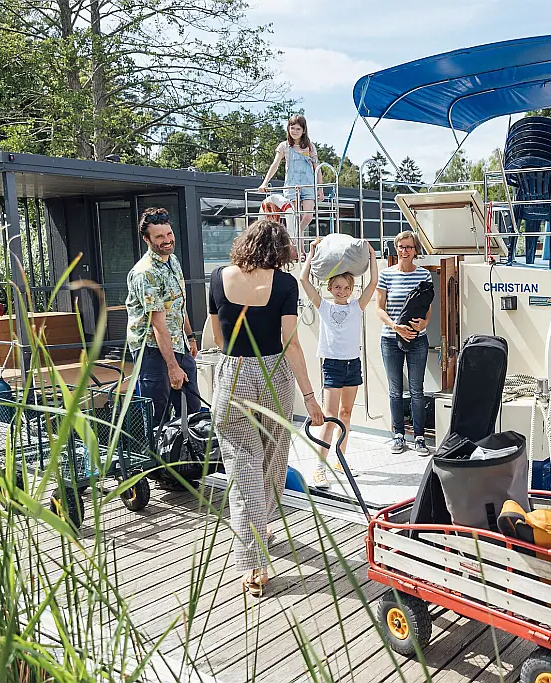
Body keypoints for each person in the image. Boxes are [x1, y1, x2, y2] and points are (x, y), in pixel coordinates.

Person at [208, 217, 324, 598]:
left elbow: (217, 335)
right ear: (279, 251)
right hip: (273, 373)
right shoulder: (286, 284)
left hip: (234, 372)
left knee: (243, 468)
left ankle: (255, 551)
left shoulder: (217, 277)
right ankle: (258, 541)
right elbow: (291, 343)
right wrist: (310, 396)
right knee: (273, 459)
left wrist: (236, 359)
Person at [299, 238, 379, 488]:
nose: (341, 291)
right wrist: (311, 253)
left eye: (345, 287)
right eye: (337, 287)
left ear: (351, 289)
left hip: (352, 364)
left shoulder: (357, 306)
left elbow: (373, 282)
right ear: (330, 288)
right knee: (330, 416)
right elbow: (303, 280)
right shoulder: (323, 307)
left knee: (346, 414)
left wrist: (372, 256)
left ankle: (340, 460)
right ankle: (319, 468)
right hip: (333, 365)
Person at [125, 207, 200, 427]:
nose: (167, 240)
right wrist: (172, 367)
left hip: (178, 343)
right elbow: (158, 325)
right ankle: (158, 451)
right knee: (159, 415)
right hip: (151, 350)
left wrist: (190, 337)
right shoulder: (145, 273)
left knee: (193, 409)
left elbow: (178, 305)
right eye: (159, 236)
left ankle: (189, 450)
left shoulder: (173, 260)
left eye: (169, 233)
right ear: (146, 240)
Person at [375, 230, 432, 455]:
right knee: (395, 390)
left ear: (415, 250)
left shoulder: (424, 275)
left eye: (409, 247)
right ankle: (398, 435)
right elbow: (379, 308)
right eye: (401, 247)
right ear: (396, 248)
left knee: (417, 390)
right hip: (391, 339)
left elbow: (428, 307)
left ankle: (419, 437)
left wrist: (423, 324)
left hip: (418, 338)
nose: (404, 251)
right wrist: (395, 326)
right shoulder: (386, 275)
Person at [258, 114, 323, 236]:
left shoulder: (309, 146)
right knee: (294, 217)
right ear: (288, 128)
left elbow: (317, 168)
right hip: (292, 185)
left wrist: (320, 188)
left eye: (298, 129)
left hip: (308, 184)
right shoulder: (284, 146)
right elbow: (275, 164)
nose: (295, 131)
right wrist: (265, 182)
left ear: (303, 130)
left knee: (308, 216)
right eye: (292, 128)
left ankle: (294, 236)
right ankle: (299, 246)